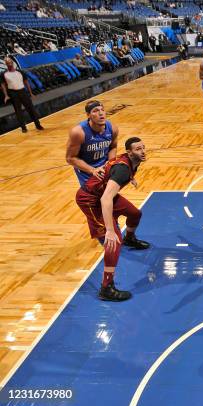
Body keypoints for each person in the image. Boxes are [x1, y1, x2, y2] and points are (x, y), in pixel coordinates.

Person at [75, 137, 150, 302]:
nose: (143, 151)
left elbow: (114, 172)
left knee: (135, 214)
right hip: (90, 200)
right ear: (130, 152)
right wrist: (109, 230)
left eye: (144, 147)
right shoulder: (122, 170)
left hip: (102, 194)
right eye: (138, 149)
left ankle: (130, 239)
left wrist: (131, 177)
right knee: (114, 241)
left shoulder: (130, 162)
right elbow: (105, 200)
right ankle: (106, 288)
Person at [66, 100, 118, 186]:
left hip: (105, 168)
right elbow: (70, 158)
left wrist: (110, 163)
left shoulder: (113, 128)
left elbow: (113, 147)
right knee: (93, 197)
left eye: (102, 110)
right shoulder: (78, 132)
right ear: (88, 115)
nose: (101, 113)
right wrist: (92, 170)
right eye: (95, 111)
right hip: (86, 170)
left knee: (109, 195)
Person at [1, 57, 43, 133]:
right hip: (13, 93)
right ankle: (23, 127)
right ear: (5, 64)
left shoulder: (20, 72)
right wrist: (6, 95)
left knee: (31, 109)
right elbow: (3, 85)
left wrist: (30, 93)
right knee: (18, 111)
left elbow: (26, 82)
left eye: (10, 61)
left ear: (12, 62)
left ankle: (37, 124)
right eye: (7, 62)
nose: (9, 63)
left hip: (22, 91)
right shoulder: (4, 74)